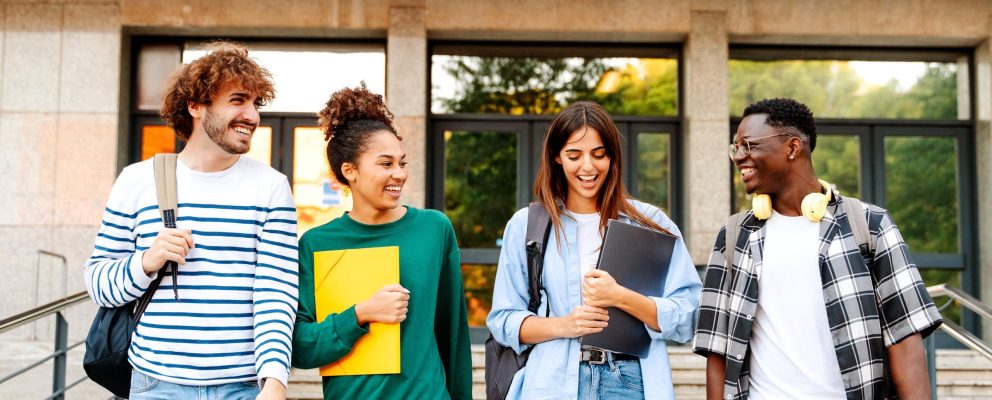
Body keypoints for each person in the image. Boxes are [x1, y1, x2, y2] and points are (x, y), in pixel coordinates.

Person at [83, 42, 298, 400]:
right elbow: (97, 283)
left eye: (256, 104)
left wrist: (274, 380)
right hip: (156, 385)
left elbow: (276, 292)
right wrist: (145, 262)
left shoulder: (271, 187)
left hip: (243, 388)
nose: (252, 116)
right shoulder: (136, 181)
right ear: (196, 105)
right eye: (238, 100)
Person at [694, 98, 943, 400]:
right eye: (736, 148)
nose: (739, 157)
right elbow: (717, 350)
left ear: (792, 148)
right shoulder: (733, 236)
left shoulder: (869, 224)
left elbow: (905, 337)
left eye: (749, 145)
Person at [487, 101, 702, 400]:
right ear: (557, 158)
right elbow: (503, 319)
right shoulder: (526, 225)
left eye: (598, 155)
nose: (588, 167)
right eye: (574, 155)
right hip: (551, 382)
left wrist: (621, 297)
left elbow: (689, 316)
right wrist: (565, 325)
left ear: (612, 157)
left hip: (630, 381)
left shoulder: (650, 224)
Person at [291, 84, 472, 399]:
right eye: (386, 164)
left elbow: (452, 335)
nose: (399, 174)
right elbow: (300, 347)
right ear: (350, 171)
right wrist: (360, 313)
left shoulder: (433, 229)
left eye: (402, 163)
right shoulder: (316, 243)